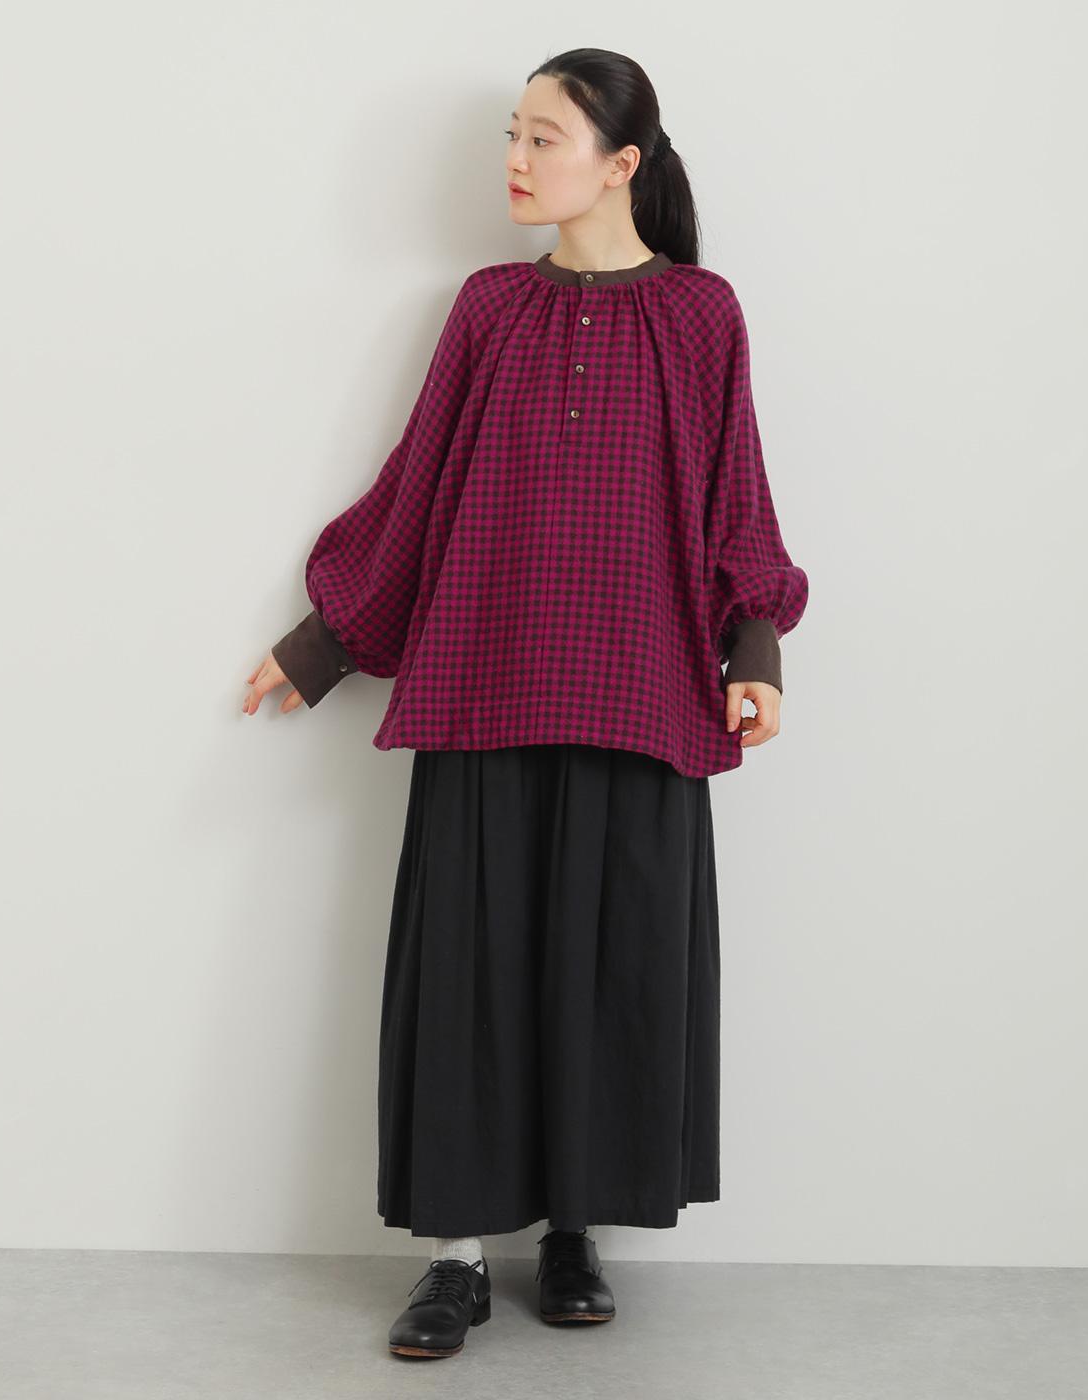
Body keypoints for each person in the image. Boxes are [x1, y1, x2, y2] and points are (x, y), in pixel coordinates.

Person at [242, 48, 809, 1360]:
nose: (513, 158)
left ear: (621, 165)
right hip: (486, 684)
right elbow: (419, 489)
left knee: (612, 971)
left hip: (646, 694)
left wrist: (756, 651)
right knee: (470, 975)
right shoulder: (490, 308)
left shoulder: (703, 315)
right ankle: (453, 1259)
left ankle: (572, 1234)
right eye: (513, 132)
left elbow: (736, 496)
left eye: (542, 138)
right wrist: (323, 646)